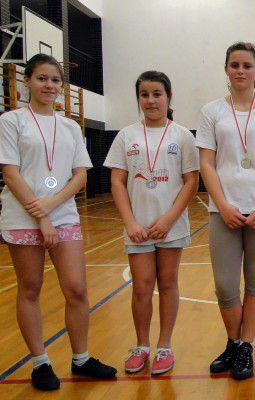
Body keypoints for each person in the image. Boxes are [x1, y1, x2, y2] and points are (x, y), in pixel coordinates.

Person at [0, 54, 117, 390]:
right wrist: (41, 216)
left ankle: (81, 359)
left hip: (62, 215)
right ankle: (40, 363)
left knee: (76, 289)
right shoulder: (11, 121)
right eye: (41, 78)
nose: (49, 85)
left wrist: (51, 206)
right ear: (27, 81)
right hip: (22, 217)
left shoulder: (69, 126)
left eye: (55, 80)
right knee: (30, 289)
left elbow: (80, 175)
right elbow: (10, 173)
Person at [197, 42, 255, 380]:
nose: (240, 70)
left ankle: (245, 345)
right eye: (234, 64)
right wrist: (222, 204)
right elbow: (206, 162)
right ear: (226, 69)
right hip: (223, 210)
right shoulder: (211, 111)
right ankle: (234, 343)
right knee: (224, 285)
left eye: (247, 65)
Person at [105, 70, 199, 375]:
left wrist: (169, 218)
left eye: (157, 94)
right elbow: (117, 181)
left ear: (168, 97)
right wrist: (130, 222)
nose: (150, 100)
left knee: (168, 283)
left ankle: (165, 347)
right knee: (142, 287)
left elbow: (191, 181)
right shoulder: (126, 135)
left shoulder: (182, 135)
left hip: (171, 226)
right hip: (138, 228)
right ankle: (142, 345)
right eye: (144, 94)